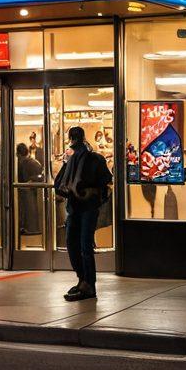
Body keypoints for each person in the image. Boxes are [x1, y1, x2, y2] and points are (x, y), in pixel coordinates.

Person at [54, 126, 112, 301]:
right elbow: (60, 185)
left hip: (86, 208)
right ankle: (83, 279)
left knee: (84, 245)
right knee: (73, 244)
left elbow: (105, 185)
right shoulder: (72, 161)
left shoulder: (92, 160)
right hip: (77, 207)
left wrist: (91, 194)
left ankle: (89, 284)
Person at [16, 142, 43, 237]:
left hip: (28, 191)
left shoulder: (25, 163)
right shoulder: (34, 162)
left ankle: (29, 228)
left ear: (19, 154)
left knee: (28, 210)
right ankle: (30, 228)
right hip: (30, 190)